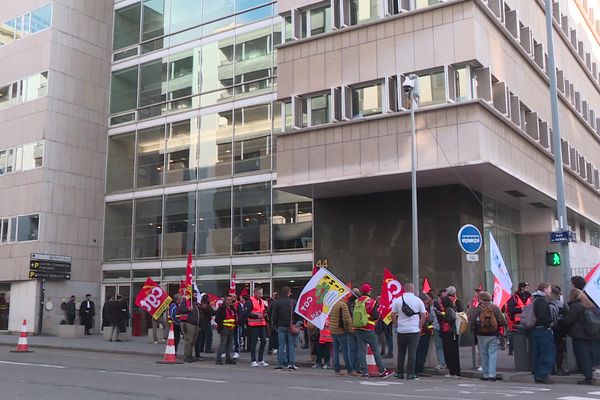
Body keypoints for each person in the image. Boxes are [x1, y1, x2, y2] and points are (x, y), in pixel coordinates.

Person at [354, 283, 393, 378]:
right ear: (369, 291)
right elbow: (375, 316)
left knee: (362, 351)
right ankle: (382, 370)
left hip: (358, 328)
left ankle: (364, 372)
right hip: (369, 329)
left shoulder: (357, 301)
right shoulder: (372, 302)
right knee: (375, 349)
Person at [563, 288, 599, 385]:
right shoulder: (591, 305)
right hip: (592, 334)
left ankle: (588, 377)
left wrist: (562, 320)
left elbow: (569, 319)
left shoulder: (575, 306)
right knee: (589, 355)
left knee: (583, 356)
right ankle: (589, 374)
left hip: (580, 335)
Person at [391, 283, 426, 380]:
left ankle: (400, 373)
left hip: (401, 330)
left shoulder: (398, 300)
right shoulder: (418, 300)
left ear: (404, 290)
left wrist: (396, 325)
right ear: (413, 289)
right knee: (412, 352)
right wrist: (419, 326)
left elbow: (392, 314)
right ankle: (411, 374)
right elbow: (423, 315)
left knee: (401, 352)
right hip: (414, 330)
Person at [468, 291, 506, 382]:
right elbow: (501, 320)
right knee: (492, 354)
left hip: (481, 333)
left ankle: (485, 374)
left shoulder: (478, 308)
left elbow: (472, 320)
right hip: (493, 333)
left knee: (483, 354)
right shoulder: (494, 307)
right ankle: (492, 375)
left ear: (481, 298)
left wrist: (472, 329)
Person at [435, 285, 462, 378]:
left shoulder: (445, 302)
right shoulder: (456, 301)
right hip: (455, 329)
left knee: (448, 351)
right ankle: (457, 371)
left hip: (447, 329)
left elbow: (442, 316)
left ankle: (452, 371)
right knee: (455, 351)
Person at [531, 282, 555, 384]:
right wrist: (549, 323)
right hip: (543, 330)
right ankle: (543, 374)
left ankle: (538, 374)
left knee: (538, 353)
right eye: (549, 289)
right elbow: (543, 316)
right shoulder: (542, 301)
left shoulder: (535, 299)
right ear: (545, 289)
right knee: (547, 352)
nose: (550, 291)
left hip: (536, 329)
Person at [271, 286, 299, 370]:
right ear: (289, 292)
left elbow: (274, 316)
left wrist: (275, 325)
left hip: (280, 326)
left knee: (281, 345)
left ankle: (280, 363)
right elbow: (297, 315)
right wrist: (296, 324)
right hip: (290, 326)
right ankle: (291, 364)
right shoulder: (293, 302)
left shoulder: (277, 302)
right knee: (290, 346)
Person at [330, 293, 358, 376]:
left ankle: (337, 369)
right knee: (346, 351)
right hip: (341, 330)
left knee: (335, 350)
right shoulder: (343, 305)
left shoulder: (333, 304)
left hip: (333, 329)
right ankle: (350, 370)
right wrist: (349, 329)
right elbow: (346, 319)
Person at [245, 287, 269, 367]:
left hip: (261, 324)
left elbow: (263, 310)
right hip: (253, 325)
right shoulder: (250, 301)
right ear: (255, 293)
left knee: (264, 341)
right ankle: (253, 360)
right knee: (254, 342)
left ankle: (260, 359)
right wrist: (256, 316)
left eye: (261, 293)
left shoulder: (261, 301)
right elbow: (247, 313)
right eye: (259, 293)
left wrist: (264, 314)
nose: (260, 295)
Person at [506, 282, 531, 355]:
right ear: (522, 288)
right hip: (517, 321)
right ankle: (512, 349)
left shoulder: (530, 297)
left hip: (527, 320)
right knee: (514, 335)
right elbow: (510, 309)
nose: (528, 289)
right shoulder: (514, 298)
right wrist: (522, 309)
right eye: (527, 287)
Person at [550, 285, 569, 376]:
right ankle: (559, 367)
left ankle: (552, 368)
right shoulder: (561, 304)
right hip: (560, 330)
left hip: (551, 329)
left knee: (552, 349)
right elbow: (567, 316)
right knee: (559, 349)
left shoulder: (548, 303)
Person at [179, 292, 202, 363]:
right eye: (194, 293)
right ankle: (187, 356)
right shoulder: (185, 301)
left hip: (195, 324)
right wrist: (187, 309)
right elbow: (180, 310)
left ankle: (190, 355)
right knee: (189, 340)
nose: (196, 295)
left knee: (193, 341)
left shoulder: (195, 303)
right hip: (188, 323)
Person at [215, 294, 238, 365]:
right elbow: (217, 319)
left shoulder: (232, 309)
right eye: (228, 299)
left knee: (230, 344)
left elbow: (234, 318)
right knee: (223, 344)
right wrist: (221, 326)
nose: (230, 301)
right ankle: (218, 359)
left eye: (230, 300)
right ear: (225, 301)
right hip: (224, 329)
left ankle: (228, 358)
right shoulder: (221, 309)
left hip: (231, 328)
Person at [415, 293, 434, 377]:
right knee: (421, 352)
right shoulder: (423, 310)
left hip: (417, 333)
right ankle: (419, 369)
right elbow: (430, 318)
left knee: (417, 352)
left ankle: (416, 369)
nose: (427, 304)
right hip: (423, 333)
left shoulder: (415, 309)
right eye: (426, 303)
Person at [432, 289, 447, 369]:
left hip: (442, 327)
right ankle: (442, 363)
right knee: (439, 346)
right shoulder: (437, 305)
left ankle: (443, 363)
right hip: (438, 327)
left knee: (441, 346)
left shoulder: (445, 304)